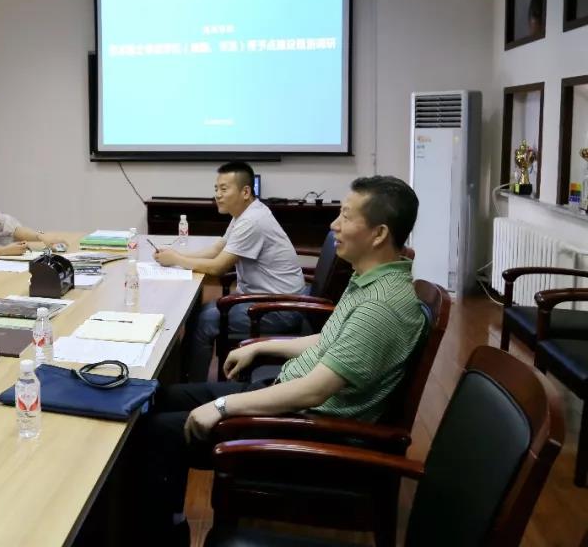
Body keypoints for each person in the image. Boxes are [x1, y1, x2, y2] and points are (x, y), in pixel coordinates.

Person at [136, 176, 424, 545]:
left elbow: (313, 391)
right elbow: (331, 340)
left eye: (346, 216)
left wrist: (222, 407)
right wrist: (262, 347)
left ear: (379, 234)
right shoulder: (372, 282)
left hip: (307, 427)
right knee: (160, 397)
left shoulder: (380, 306)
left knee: (157, 433)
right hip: (287, 396)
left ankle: (163, 535)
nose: (334, 224)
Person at [154, 161, 305, 381]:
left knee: (204, 321)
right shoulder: (244, 214)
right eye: (216, 188)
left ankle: (191, 385)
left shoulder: (252, 220)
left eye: (224, 189)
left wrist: (177, 259)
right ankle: (180, 376)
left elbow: (218, 267)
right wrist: (175, 256)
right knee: (198, 313)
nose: (217, 195)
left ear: (245, 192)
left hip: (279, 309)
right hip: (267, 298)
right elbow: (217, 250)